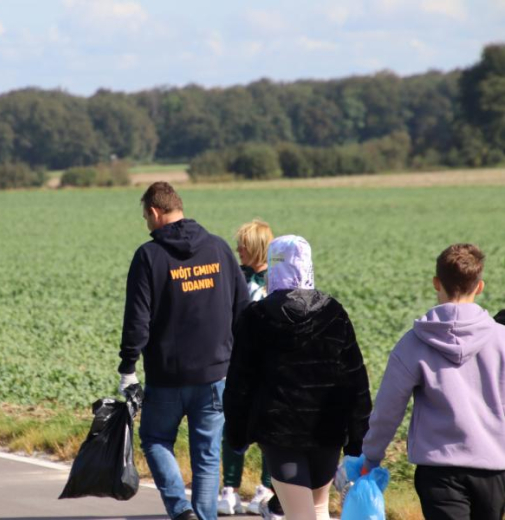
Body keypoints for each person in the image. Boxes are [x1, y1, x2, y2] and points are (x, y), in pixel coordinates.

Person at [118, 181, 249, 520]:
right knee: (206, 456)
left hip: (166, 378)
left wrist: (127, 368)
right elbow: (243, 312)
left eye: (146, 218)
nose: (147, 225)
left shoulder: (148, 256)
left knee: (155, 439)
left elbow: (137, 320)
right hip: (215, 375)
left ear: (154, 212)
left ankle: (181, 510)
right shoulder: (219, 249)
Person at [223, 235, 371, 520]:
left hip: (280, 435)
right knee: (318, 509)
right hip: (328, 431)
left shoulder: (256, 317)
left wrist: (237, 434)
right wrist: (357, 438)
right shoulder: (333, 312)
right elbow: (356, 381)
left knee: (299, 515)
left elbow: (240, 384)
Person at [362, 243, 505, 520]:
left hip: (438, 471)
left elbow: (389, 408)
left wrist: (371, 456)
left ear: (436, 282)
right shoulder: (501, 339)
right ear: (480, 286)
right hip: (494, 468)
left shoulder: (413, 343)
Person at [218, 219, 278, 516]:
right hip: (236, 363)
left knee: (267, 431)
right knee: (232, 426)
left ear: (256, 247)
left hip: (268, 367)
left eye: (243, 244)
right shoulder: (235, 276)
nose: (238, 249)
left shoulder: (277, 280)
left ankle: (265, 488)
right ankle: (229, 488)